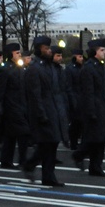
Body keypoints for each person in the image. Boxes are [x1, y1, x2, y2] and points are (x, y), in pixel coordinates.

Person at [22, 36, 66, 187]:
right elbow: (35, 95)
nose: (49, 51)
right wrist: (41, 114)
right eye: (47, 48)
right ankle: (42, 171)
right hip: (43, 112)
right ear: (40, 49)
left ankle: (43, 172)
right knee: (47, 144)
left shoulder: (50, 67)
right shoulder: (34, 68)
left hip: (53, 110)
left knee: (50, 144)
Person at [72, 39, 105, 177]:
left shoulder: (100, 67)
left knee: (100, 140)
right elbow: (88, 92)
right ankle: (79, 155)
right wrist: (91, 111)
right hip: (94, 108)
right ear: (95, 51)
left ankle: (96, 167)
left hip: (101, 107)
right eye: (102, 50)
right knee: (93, 138)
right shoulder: (88, 68)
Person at [0, 43, 29, 170]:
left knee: (10, 136)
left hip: (20, 106)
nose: (19, 55)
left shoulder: (19, 68)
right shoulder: (4, 70)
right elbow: (0, 91)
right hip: (10, 107)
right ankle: (22, 160)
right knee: (23, 133)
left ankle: (6, 160)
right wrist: (0, 109)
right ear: (10, 55)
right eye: (17, 53)